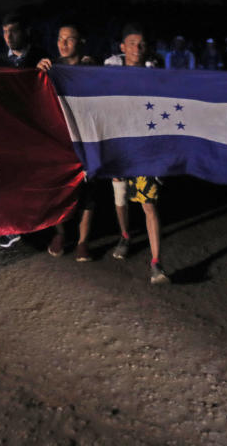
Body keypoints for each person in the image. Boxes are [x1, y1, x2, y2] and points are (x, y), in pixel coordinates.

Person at [104, 23, 169, 284]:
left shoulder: (156, 74)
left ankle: (157, 263)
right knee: (120, 196)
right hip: (120, 144)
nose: (137, 49)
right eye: (132, 43)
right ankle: (125, 235)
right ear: (122, 47)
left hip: (146, 146)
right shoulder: (109, 73)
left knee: (148, 203)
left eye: (141, 44)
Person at [37, 23, 97, 261]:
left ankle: (83, 242)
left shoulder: (92, 67)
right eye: (60, 38)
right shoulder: (51, 67)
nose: (63, 44)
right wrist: (37, 71)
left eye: (69, 39)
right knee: (59, 189)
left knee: (89, 191)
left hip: (87, 137)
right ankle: (60, 233)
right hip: (60, 139)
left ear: (80, 42)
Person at [0, 12, 48, 247]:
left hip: (34, 130)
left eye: (13, 30)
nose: (9, 36)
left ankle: (37, 229)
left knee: (33, 182)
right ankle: (8, 227)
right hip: (6, 130)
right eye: (5, 31)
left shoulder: (42, 57)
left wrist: (46, 70)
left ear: (25, 32)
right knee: (6, 181)